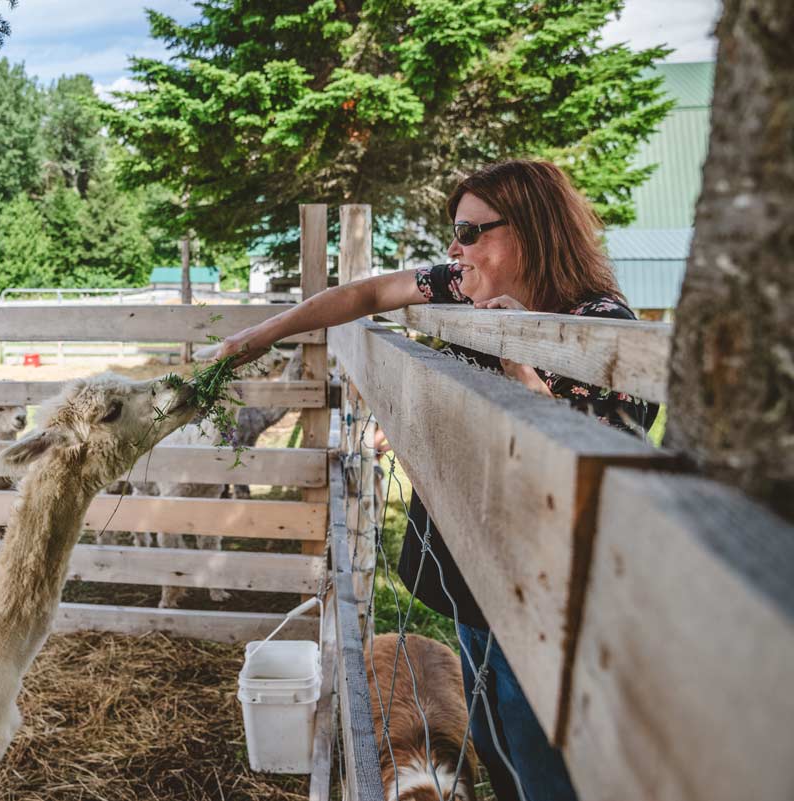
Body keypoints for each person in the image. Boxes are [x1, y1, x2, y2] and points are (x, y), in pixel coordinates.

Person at [210, 159, 657, 801]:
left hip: (545, 583)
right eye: (455, 232)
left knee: (538, 751)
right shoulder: (462, 286)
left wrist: (519, 357)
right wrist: (264, 332)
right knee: (494, 728)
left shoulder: (601, 326)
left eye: (472, 233)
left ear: (531, 231)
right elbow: (365, 295)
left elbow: (597, 458)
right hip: (472, 554)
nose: (454, 248)